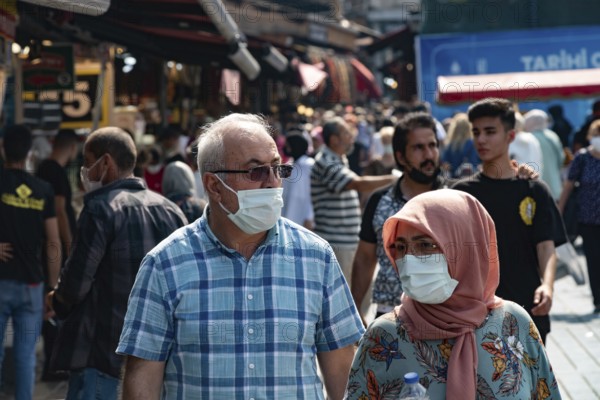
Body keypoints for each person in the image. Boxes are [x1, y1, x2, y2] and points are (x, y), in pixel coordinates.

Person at [117, 113, 365, 400]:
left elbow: (342, 370)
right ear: (213, 186)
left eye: (277, 169)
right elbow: (142, 376)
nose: (272, 182)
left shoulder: (316, 257)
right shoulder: (165, 265)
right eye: (256, 171)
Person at [345, 189, 561, 399]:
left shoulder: (514, 324)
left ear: (466, 248)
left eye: (425, 245)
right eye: (401, 247)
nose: (409, 259)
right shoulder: (384, 336)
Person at [46, 127, 187, 400]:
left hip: (102, 355)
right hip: (158, 359)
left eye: (88, 163)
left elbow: (75, 284)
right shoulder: (170, 210)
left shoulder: (100, 208)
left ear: (106, 162)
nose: (85, 172)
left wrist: (56, 301)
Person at [453, 98, 566, 343]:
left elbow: (546, 247)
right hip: (478, 313)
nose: (481, 139)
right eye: (476, 132)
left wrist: (547, 286)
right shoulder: (463, 194)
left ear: (510, 136)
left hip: (529, 308)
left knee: (533, 380)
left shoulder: (534, 189)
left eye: (490, 132)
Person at [351, 112, 446, 325]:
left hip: (445, 316)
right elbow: (365, 258)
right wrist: (355, 310)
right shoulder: (380, 200)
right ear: (401, 157)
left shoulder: (453, 198)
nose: (429, 154)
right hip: (390, 315)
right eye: (418, 148)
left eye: (432, 145)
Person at [0, 125, 61, 400]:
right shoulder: (43, 190)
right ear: (29, 153)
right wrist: (52, 286)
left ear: (2, 148)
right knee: (26, 358)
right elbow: (53, 242)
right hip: (32, 287)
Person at [311, 116, 396, 282]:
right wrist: (394, 179)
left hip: (346, 241)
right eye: (346, 133)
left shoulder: (338, 159)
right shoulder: (325, 162)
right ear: (334, 139)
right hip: (336, 242)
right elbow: (357, 183)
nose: (352, 138)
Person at [36, 129, 79, 382]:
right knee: (57, 301)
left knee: (51, 301)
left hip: (48, 248)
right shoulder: (56, 171)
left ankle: (53, 363)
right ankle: (55, 363)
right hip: (58, 249)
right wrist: (70, 244)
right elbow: (60, 211)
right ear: (72, 147)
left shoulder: (43, 168)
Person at [558, 119, 600, 313]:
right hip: (588, 218)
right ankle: (598, 299)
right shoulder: (582, 158)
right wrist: (560, 209)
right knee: (593, 259)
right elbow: (568, 185)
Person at [524, 109, 565, 200]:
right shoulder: (553, 136)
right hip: (554, 186)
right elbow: (561, 159)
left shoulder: (528, 138)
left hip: (535, 186)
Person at [282, 133, 315, 229]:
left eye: (288, 145)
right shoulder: (288, 165)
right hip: (288, 211)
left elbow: (313, 193)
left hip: (304, 213)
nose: (286, 148)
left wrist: (310, 216)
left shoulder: (309, 165)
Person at [441, 112, 480, 178]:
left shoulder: (450, 145)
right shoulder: (473, 144)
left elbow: (445, 163)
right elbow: (474, 162)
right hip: (470, 179)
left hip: (453, 181)